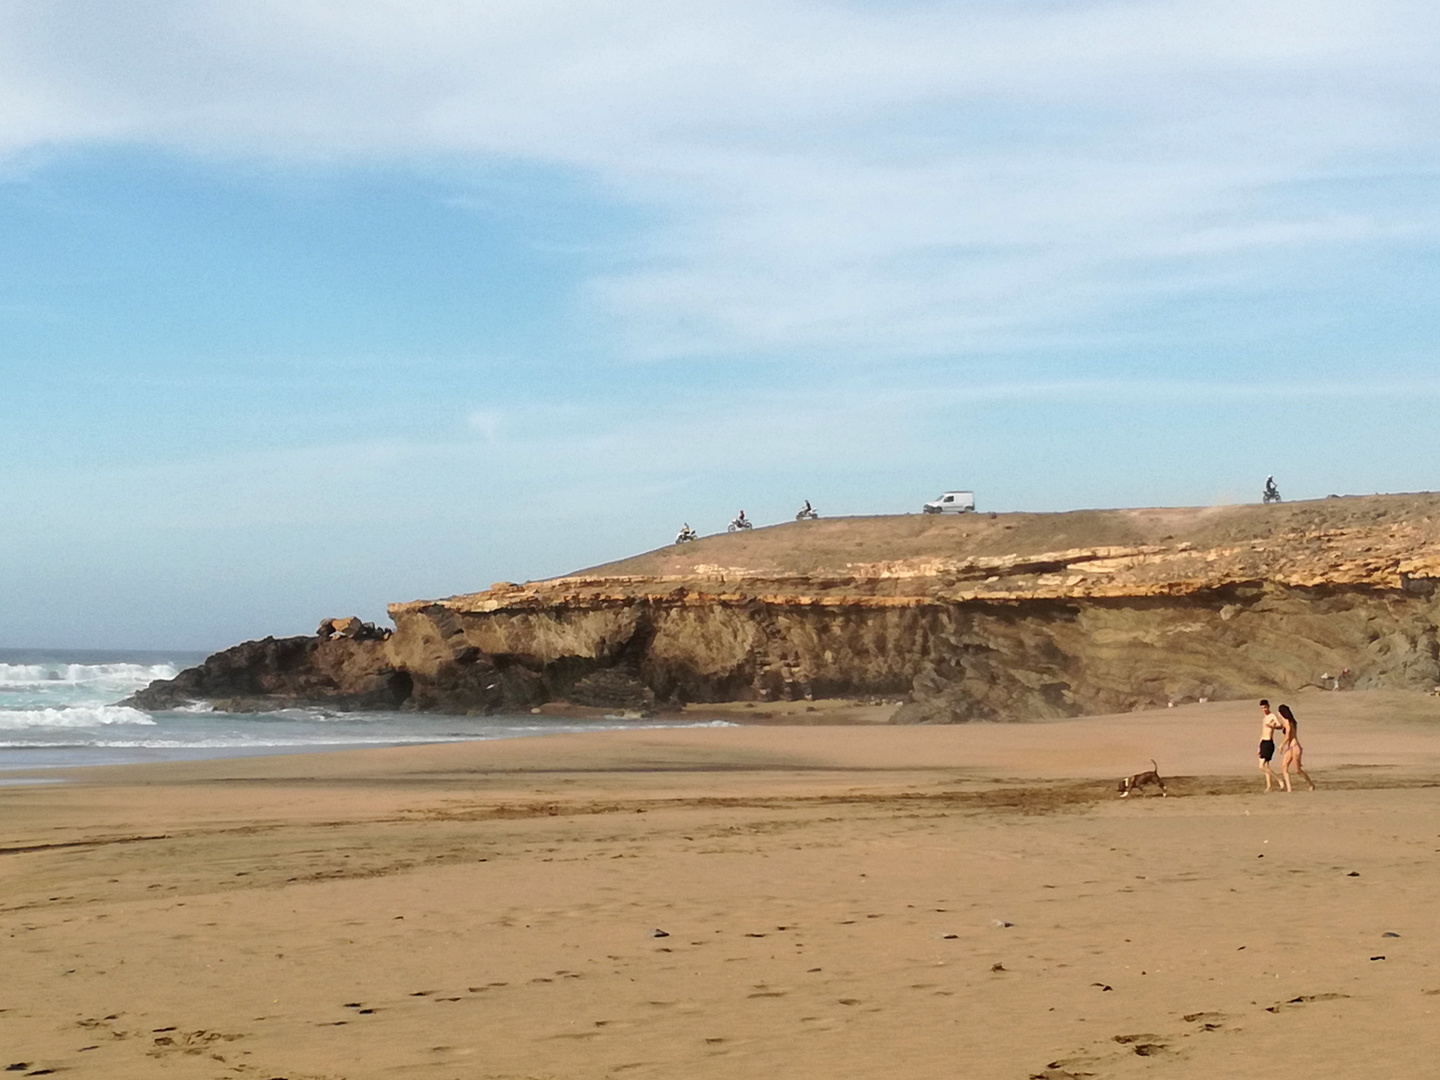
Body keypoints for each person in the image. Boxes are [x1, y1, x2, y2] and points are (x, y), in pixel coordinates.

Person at [1276, 704, 1316, 791]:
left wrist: (1281, 745)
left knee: (1297, 770)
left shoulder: (1288, 722)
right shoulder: (1287, 722)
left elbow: (1288, 735)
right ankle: (1289, 788)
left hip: (1295, 747)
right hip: (1290, 747)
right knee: (1284, 766)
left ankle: (1311, 784)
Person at [1257, 699, 1284, 792]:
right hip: (1263, 742)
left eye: (1265, 707)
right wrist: (1259, 746)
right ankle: (1269, 786)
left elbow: (1280, 725)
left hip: (1269, 742)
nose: (1264, 709)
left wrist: (1273, 726)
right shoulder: (1264, 718)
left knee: (1261, 766)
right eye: (1262, 708)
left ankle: (1279, 779)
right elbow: (1263, 732)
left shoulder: (1272, 716)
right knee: (1266, 766)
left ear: (1268, 706)